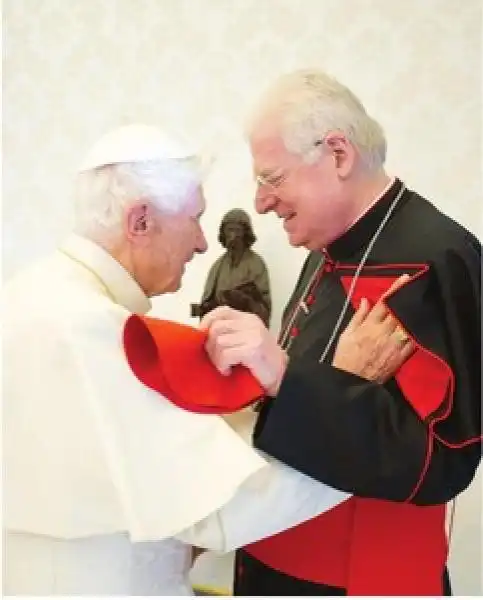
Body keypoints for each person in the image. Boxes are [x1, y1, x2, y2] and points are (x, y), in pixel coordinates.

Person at [2, 123, 412, 596]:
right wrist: (342, 389)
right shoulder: (90, 329)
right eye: (195, 219)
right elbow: (226, 512)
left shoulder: (32, 296)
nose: (202, 243)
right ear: (140, 221)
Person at [201, 69, 482, 596]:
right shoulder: (327, 245)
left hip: (356, 576)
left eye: (272, 177)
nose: (260, 202)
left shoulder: (435, 257)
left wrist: (291, 378)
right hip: (272, 553)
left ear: (337, 153)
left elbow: (441, 460)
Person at [194, 208, 272, 326]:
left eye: (237, 231)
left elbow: (264, 309)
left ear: (246, 233)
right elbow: (205, 306)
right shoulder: (218, 266)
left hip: (246, 331)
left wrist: (244, 301)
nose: (233, 236)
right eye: (229, 230)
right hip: (219, 331)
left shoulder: (256, 264)